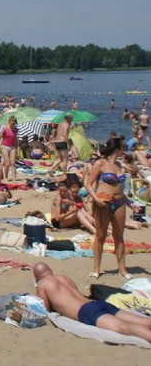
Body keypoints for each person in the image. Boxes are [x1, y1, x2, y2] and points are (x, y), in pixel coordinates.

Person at [33, 263, 150, 341]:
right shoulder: (64, 278)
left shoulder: (42, 284)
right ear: (50, 271)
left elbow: (45, 307)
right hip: (96, 303)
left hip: (87, 311)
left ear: (36, 277)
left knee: (123, 327)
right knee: (142, 321)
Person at [85, 136, 131, 279]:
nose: (124, 151)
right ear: (117, 149)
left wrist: (130, 203)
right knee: (100, 235)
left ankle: (122, 269)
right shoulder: (100, 163)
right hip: (103, 203)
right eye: (122, 148)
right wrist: (96, 199)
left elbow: (120, 189)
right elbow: (88, 184)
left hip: (119, 203)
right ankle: (96, 269)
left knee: (119, 236)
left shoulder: (119, 165)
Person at [0, 115, 19, 182]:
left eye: (14, 124)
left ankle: (14, 179)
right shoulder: (5, 128)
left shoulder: (16, 130)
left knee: (13, 163)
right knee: (7, 163)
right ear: (9, 122)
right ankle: (5, 177)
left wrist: (17, 148)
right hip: (4, 146)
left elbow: (16, 139)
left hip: (13, 147)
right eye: (11, 124)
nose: (12, 125)